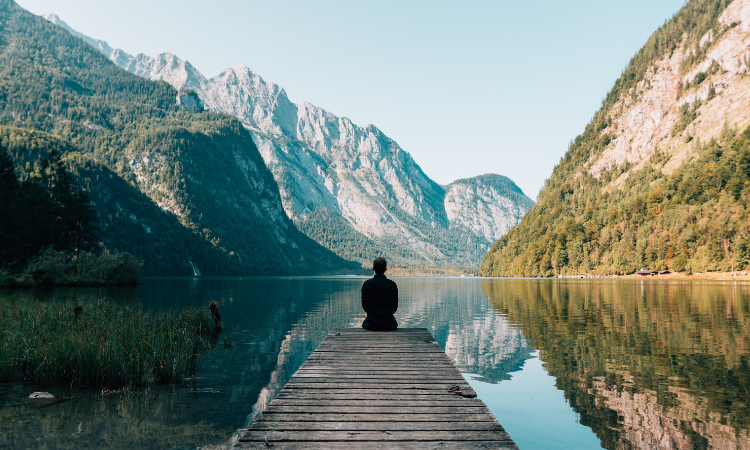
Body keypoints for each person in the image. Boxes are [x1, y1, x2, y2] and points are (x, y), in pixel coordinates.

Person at [361, 256, 399, 331]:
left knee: (365, 323)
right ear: (385, 269)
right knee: (394, 323)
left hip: (371, 324)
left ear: (373, 268)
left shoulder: (367, 284)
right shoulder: (392, 285)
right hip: (388, 324)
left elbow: (364, 305)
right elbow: (395, 306)